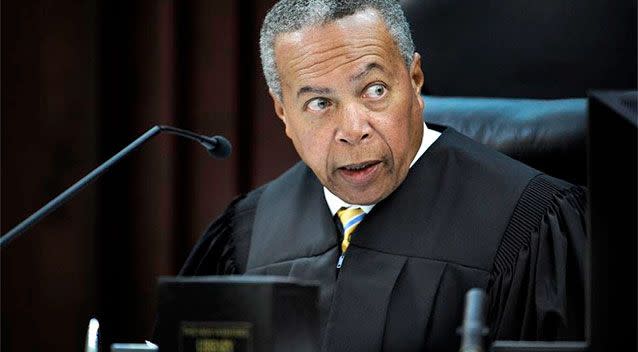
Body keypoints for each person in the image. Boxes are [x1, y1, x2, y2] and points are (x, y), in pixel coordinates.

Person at [179, 1, 587, 350]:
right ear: (283, 113)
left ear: (414, 81)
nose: (353, 129)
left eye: (374, 90)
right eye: (320, 103)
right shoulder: (245, 236)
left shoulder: (531, 224)